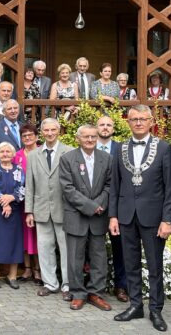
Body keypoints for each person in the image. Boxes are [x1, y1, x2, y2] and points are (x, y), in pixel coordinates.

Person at [109, 104, 171, 332]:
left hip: (154, 218)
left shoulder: (164, 148)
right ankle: (136, 305)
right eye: (134, 119)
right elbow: (115, 184)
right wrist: (113, 216)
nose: (138, 122)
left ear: (151, 122)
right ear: (128, 122)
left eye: (142, 119)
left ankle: (156, 310)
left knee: (155, 265)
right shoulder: (120, 148)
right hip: (126, 215)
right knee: (130, 264)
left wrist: (167, 219)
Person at [59, 124, 112, 311]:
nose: (90, 140)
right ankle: (78, 293)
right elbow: (67, 188)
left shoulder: (106, 158)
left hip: (99, 217)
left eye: (93, 136)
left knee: (99, 258)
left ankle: (96, 294)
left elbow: (109, 185)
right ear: (78, 138)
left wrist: (100, 204)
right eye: (86, 137)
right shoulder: (67, 159)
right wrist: (91, 206)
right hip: (76, 216)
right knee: (75, 258)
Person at [25, 118, 74, 301]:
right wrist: (29, 211)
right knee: (44, 248)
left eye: (53, 130)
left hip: (63, 209)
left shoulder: (69, 152)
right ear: (42, 132)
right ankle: (50, 284)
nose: (50, 133)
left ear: (59, 131)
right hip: (41, 209)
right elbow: (29, 185)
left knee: (66, 248)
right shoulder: (33, 155)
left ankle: (68, 284)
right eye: (47, 130)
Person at [95, 115, 129, 303]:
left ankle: (121, 286)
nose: (105, 127)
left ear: (113, 128)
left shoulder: (122, 149)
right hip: (95, 207)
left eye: (109, 124)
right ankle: (95, 285)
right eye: (102, 124)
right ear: (96, 127)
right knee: (93, 247)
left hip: (118, 206)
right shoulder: (88, 147)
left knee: (120, 248)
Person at [0, 142, 25, 289]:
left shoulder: (19, 169)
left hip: (14, 211)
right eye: (2, 151)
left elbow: (22, 187)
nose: (5, 154)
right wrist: (4, 201)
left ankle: (12, 275)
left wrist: (11, 199)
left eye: (8, 151)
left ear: (13, 154)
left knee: (14, 243)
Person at [11, 124, 42, 285]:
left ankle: (38, 269)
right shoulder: (17, 155)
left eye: (31, 135)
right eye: (24, 136)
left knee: (37, 236)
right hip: (21, 203)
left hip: (38, 201)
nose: (28, 138)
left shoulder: (42, 152)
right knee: (24, 236)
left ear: (37, 137)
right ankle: (27, 268)